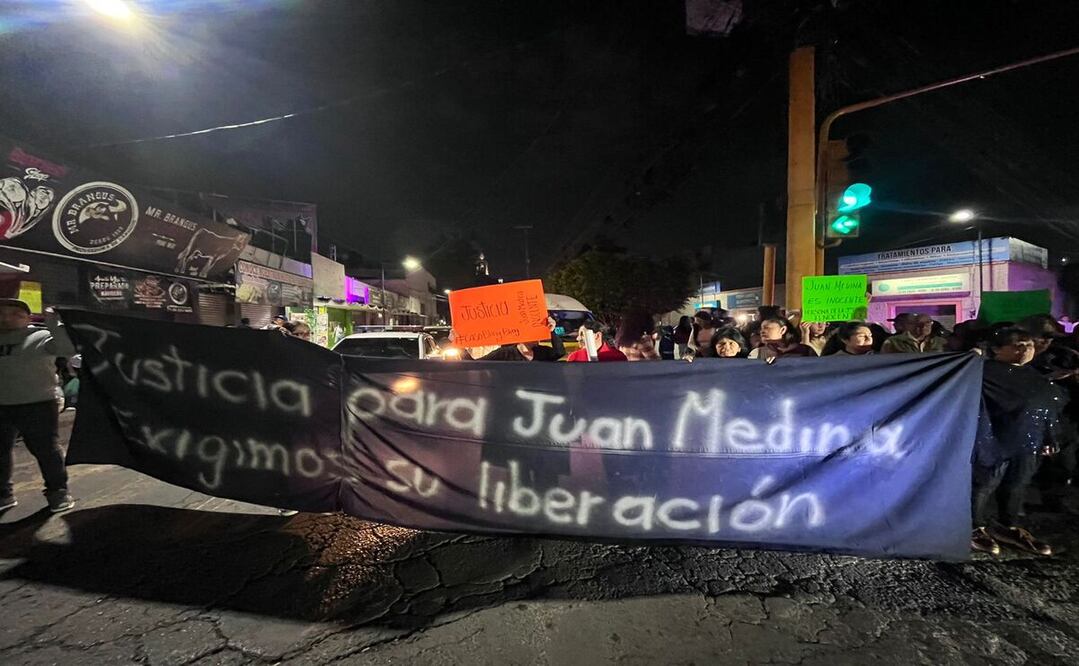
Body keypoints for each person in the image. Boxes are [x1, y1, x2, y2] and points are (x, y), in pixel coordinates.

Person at [971, 327, 1065, 556]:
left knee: (1017, 485)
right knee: (984, 485)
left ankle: (1008, 526)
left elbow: (1047, 408)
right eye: (1017, 346)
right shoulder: (981, 371)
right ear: (996, 349)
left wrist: (1050, 436)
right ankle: (974, 527)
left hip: (1029, 441)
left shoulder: (1034, 375)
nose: (1025, 350)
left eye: (1029, 345)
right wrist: (970, 359)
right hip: (993, 439)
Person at [0, 299, 76, 513]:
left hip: (37, 404)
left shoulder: (40, 337)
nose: (6, 318)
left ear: (27, 318)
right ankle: (4, 494)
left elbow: (67, 348)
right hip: (1, 406)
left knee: (46, 451)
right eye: (1, 314)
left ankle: (58, 491)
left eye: (15, 314)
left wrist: (53, 322)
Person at [480, 317, 565, 361]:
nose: (538, 337)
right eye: (533, 332)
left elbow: (560, 353)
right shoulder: (504, 353)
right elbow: (480, 364)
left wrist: (552, 331)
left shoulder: (542, 352)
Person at [747, 317, 814, 360]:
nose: (762, 331)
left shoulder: (805, 351)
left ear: (783, 330)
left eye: (767, 328)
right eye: (761, 328)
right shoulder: (757, 353)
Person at [881, 314, 947, 353]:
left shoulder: (941, 342)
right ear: (909, 325)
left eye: (928, 323)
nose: (924, 326)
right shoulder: (893, 342)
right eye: (919, 323)